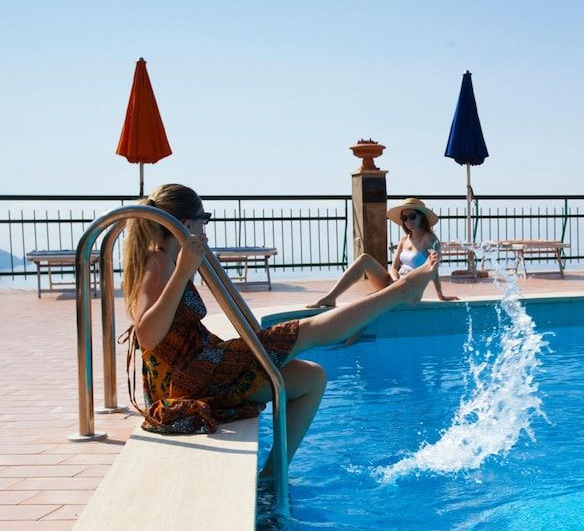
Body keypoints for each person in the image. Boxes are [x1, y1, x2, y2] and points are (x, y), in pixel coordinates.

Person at [121, 184, 437, 477]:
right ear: (187, 223)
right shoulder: (159, 262)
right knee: (305, 331)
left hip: (202, 367)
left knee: (311, 377)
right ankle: (400, 292)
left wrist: (191, 266)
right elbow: (147, 335)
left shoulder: (170, 259)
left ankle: (273, 475)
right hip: (188, 377)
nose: (206, 228)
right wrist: (184, 271)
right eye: (204, 219)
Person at [307, 197, 458, 308]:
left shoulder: (429, 239)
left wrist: (440, 294)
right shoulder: (404, 239)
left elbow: (434, 270)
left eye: (412, 216)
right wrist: (394, 278)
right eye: (404, 218)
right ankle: (330, 297)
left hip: (409, 289)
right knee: (364, 259)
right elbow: (394, 268)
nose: (408, 221)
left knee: (364, 304)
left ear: (421, 217)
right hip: (395, 283)